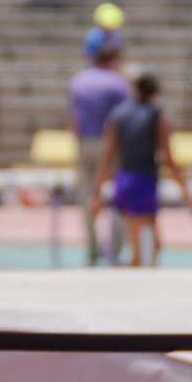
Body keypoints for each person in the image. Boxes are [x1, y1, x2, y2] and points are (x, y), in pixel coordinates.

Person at [96, 73, 192, 268]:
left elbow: (108, 156)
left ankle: (136, 279)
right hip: (143, 181)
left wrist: (97, 191)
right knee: (147, 249)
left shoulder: (118, 115)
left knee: (146, 246)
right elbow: (169, 159)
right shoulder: (157, 117)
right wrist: (187, 194)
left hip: (124, 180)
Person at [67, 41, 131, 264]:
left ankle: (91, 246)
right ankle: (114, 249)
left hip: (84, 143)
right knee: (118, 196)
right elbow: (124, 118)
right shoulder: (119, 83)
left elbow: (74, 118)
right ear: (113, 60)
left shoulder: (79, 81)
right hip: (111, 145)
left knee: (86, 196)